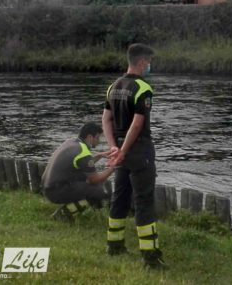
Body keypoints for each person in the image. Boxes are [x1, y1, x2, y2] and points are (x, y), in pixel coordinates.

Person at [102, 43, 164, 269]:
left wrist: (114, 148)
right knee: (144, 201)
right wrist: (125, 150)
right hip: (139, 152)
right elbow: (137, 124)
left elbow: (106, 119)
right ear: (142, 62)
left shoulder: (114, 86)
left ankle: (114, 245)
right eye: (149, 62)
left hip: (120, 151)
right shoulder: (143, 88)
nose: (149, 66)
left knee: (120, 197)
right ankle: (150, 257)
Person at [41, 122, 114, 221]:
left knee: (87, 182)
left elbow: (83, 164)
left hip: (49, 188)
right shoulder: (83, 152)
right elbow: (94, 180)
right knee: (97, 191)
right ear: (90, 137)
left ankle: (67, 211)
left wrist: (99, 156)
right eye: (97, 138)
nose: (99, 141)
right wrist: (112, 169)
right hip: (56, 192)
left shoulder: (72, 142)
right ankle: (62, 214)